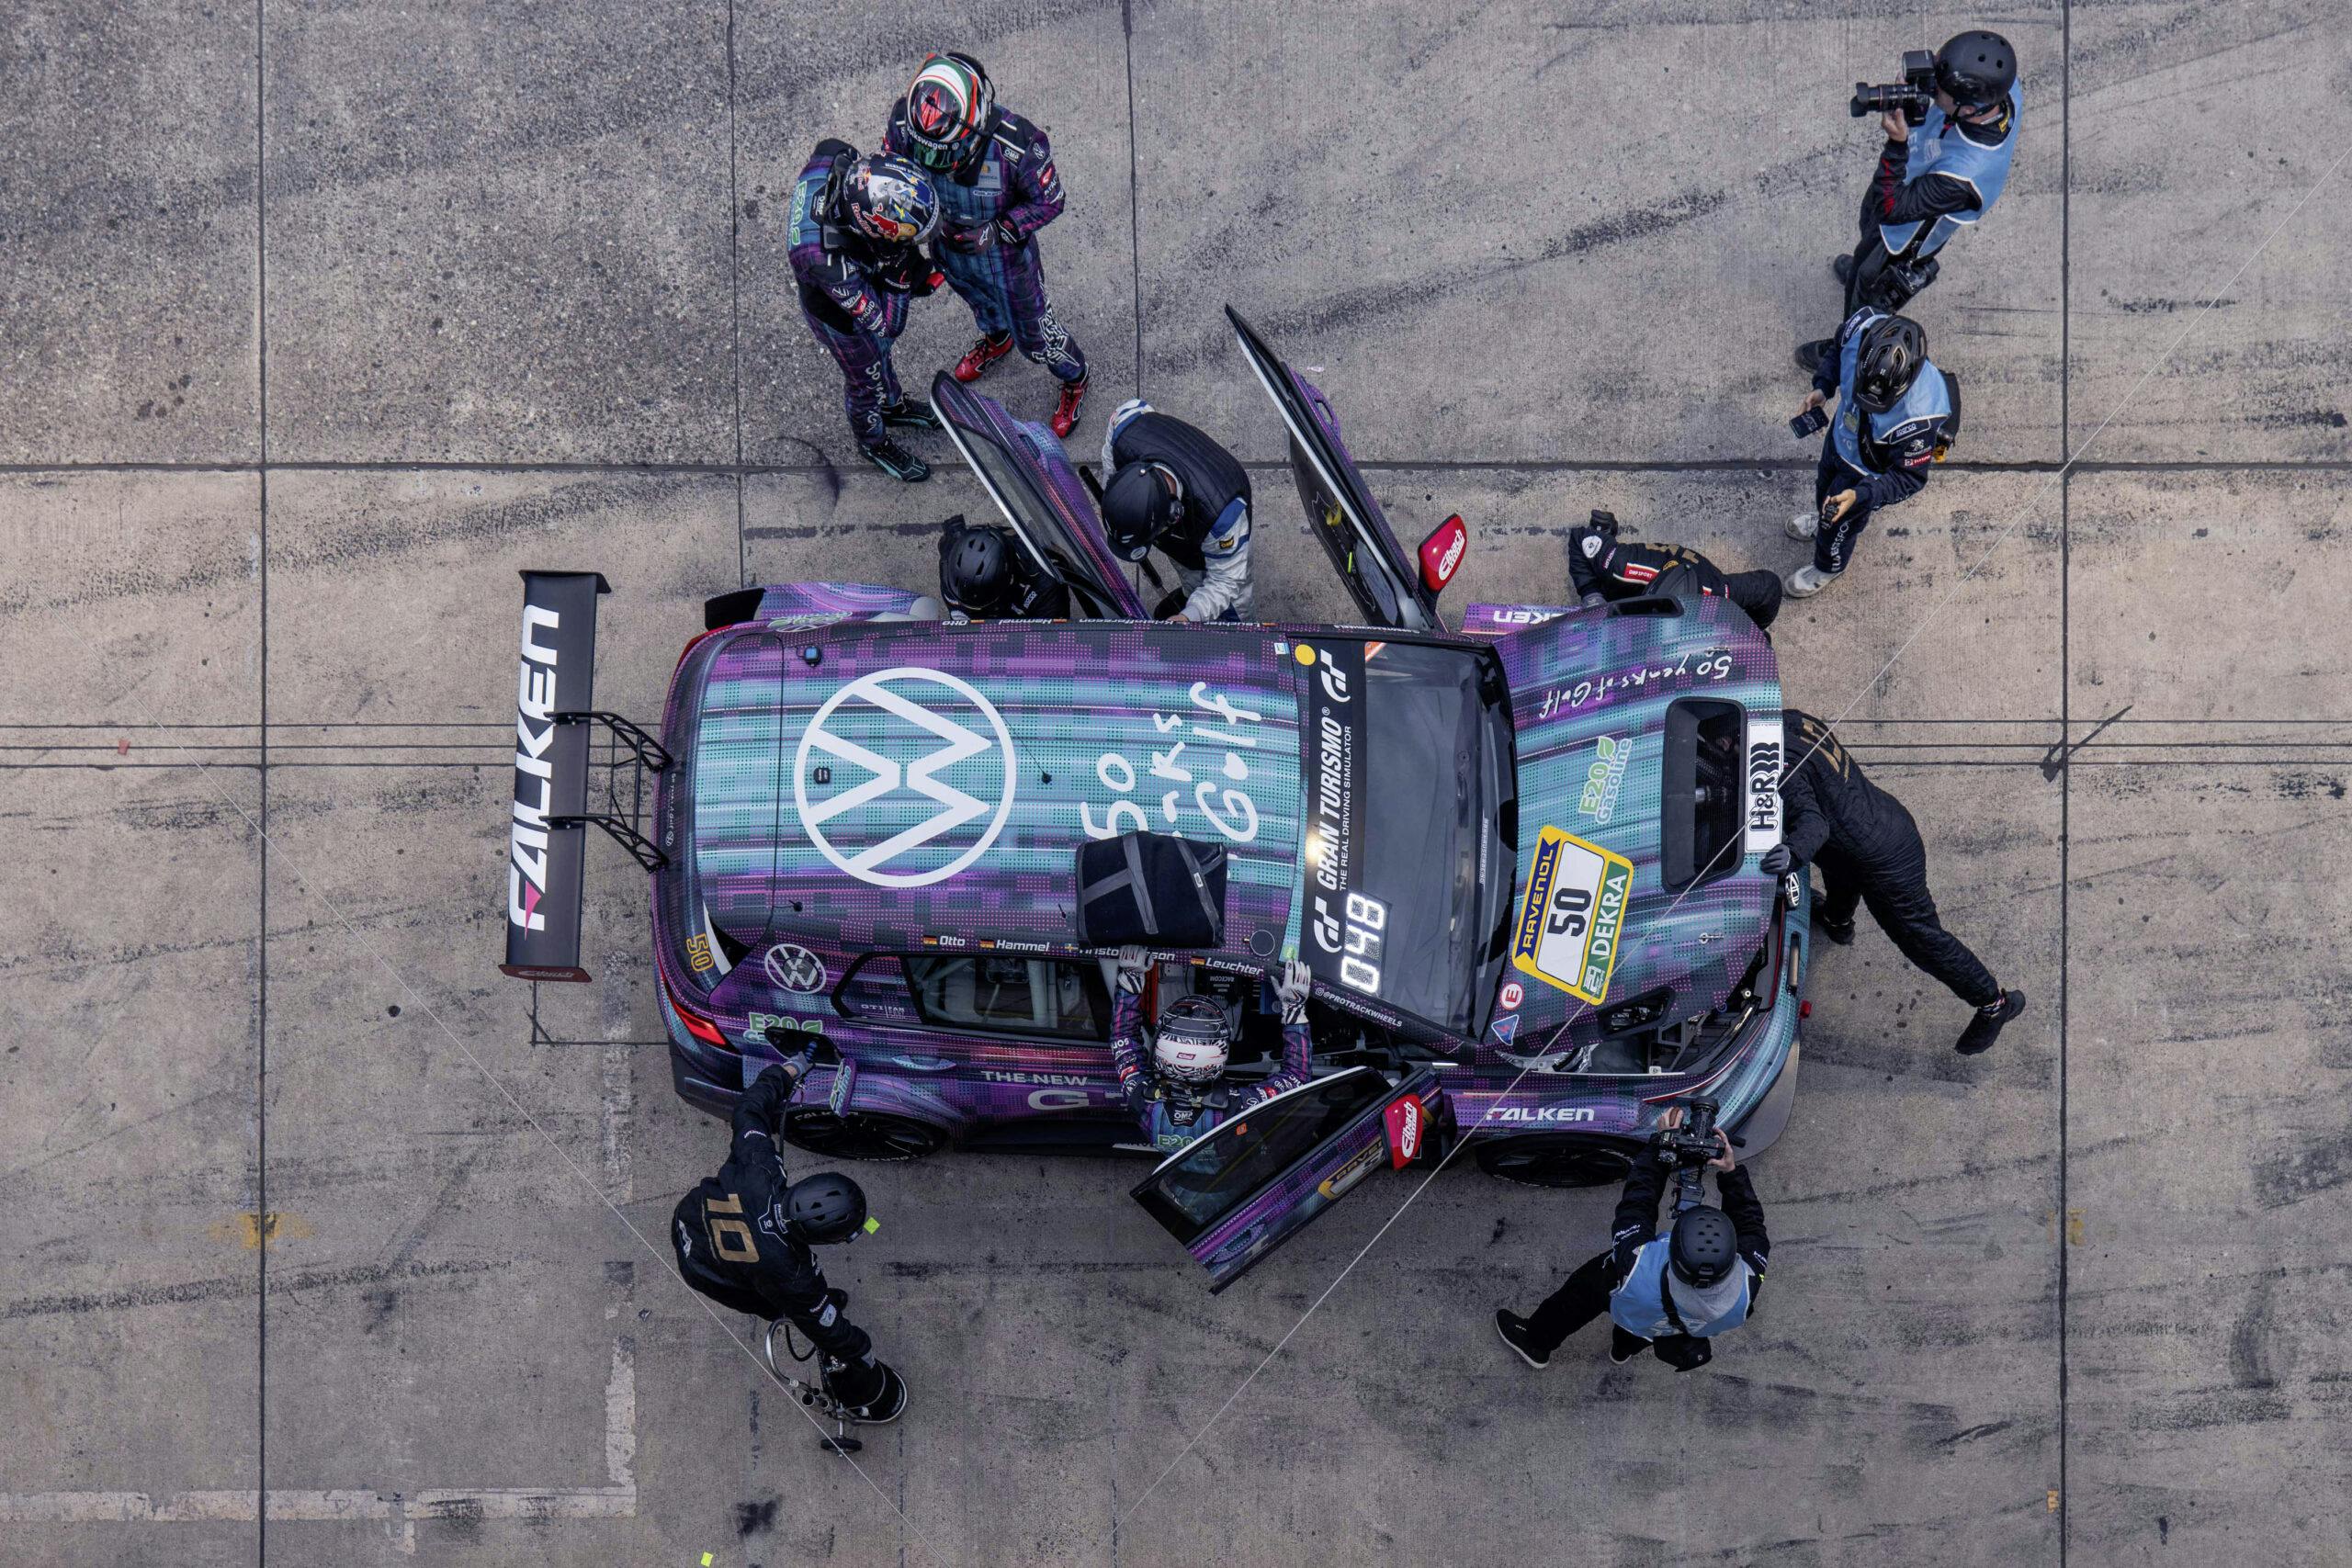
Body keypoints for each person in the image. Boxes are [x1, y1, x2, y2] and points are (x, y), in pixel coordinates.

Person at [1762, 707, 2027, 1055]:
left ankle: (1994, 1004)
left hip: (1885, 859)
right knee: (1840, 877)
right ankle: (1837, 921)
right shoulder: (1790, 720)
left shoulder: (1783, 770)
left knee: (1920, 938)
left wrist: (1793, 853)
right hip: (1870, 826)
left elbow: (1814, 824)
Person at [671, 1055, 908, 1423]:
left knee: (796, 1298)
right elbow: (828, 1328)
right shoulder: (794, 1275)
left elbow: (750, 1109)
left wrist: (791, 1068)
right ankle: (778, 1310)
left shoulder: (760, 1166)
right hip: (703, 1267)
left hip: (689, 1218)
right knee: (777, 1305)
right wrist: (861, 1351)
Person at [884, 52, 1089, 438]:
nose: (930, 160)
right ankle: (996, 340)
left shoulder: (1020, 145)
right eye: (924, 150)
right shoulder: (904, 121)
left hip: (1009, 263)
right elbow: (894, 169)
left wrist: (998, 230)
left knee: (1039, 337)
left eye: (940, 152)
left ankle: (1075, 378)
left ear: (975, 120)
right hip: (945, 250)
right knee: (981, 308)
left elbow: (1051, 201)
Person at [1800, 28, 2019, 368]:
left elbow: (1892, 210)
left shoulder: (1965, 175)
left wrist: (1897, 144)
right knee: (1862, 253)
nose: (1932, 90)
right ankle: (1859, 279)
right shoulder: (2000, 89)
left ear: (1969, 108)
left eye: (1940, 90)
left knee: (1867, 289)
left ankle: (1846, 349)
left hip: (1905, 236)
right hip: (1903, 186)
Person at [1495, 1109, 1769, 1371]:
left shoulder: (1637, 1265)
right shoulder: (1747, 1287)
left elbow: (1638, 1202)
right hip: (1658, 1323)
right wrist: (1731, 1172)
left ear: (1674, 1251)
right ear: (1732, 1257)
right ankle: (1621, 1350)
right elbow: (1751, 1226)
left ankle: (1535, 1343)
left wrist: (1660, 1144)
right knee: (1643, 1328)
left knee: (1576, 1298)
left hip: (1625, 1293)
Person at [787, 140, 946, 482]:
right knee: (865, 380)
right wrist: (899, 274)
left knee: (880, 358)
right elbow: (887, 324)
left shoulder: (836, 156)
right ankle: (872, 441)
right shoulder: (827, 262)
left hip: (854, 273)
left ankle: (893, 406)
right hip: (837, 316)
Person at [1783, 310, 1956, 598]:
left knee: (1839, 526)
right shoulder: (1858, 330)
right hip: (1839, 439)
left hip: (1866, 472)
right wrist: (1823, 387)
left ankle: (1829, 566)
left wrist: (1862, 496)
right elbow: (1836, 351)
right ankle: (1820, 523)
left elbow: (1909, 479)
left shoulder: (1920, 417)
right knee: (1823, 489)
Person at [1110, 949, 1313, 1154]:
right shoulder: (1236, 1107)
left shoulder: (1142, 1097)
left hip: (1177, 1180)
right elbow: (1296, 1078)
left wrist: (1130, 983)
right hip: (1224, 1182)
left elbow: (1123, 1039)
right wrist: (1293, 1009)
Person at [1099, 400, 1253, 621]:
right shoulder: (1125, 430)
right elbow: (1126, 412)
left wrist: (1189, 616)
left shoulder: (1221, 517)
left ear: (1174, 514)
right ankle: (1192, 593)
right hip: (1190, 537)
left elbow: (1227, 582)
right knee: (1191, 578)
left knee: (1234, 612)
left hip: (1220, 543)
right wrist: (1112, 488)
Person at [1567, 509, 1781, 631]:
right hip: (1637, 567)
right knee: (1605, 581)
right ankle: (1602, 531)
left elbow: (1770, 587)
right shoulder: (1622, 565)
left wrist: (1754, 631)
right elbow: (1578, 538)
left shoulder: (1720, 593)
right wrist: (1590, 594)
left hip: (1701, 575)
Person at [936, 513, 1069, 621]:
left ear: (1010, 578)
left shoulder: (1045, 584)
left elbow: (1050, 639)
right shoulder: (949, 557)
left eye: (982, 607)